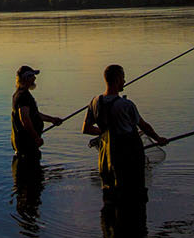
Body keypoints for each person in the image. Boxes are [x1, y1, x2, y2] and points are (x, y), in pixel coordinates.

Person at [82, 63, 167, 200]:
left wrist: (106, 133)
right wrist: (159, 139)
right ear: (117, 80)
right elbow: (144, 126)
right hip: (128, 157)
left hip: (106, 158)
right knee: (133, 195)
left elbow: (86, 129)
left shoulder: (95, 101)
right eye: (123, 78)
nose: (125, 81)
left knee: (110, 195)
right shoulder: (126, 105)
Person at [10, 65, 63, 157]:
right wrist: (36, 137)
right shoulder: (23, 96)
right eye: (32, 76)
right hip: (26, 144)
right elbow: (25, 119)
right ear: (26, 78)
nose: (34, 78)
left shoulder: (21, 94)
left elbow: (34, 114)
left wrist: (52, 120)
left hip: (25, 143)